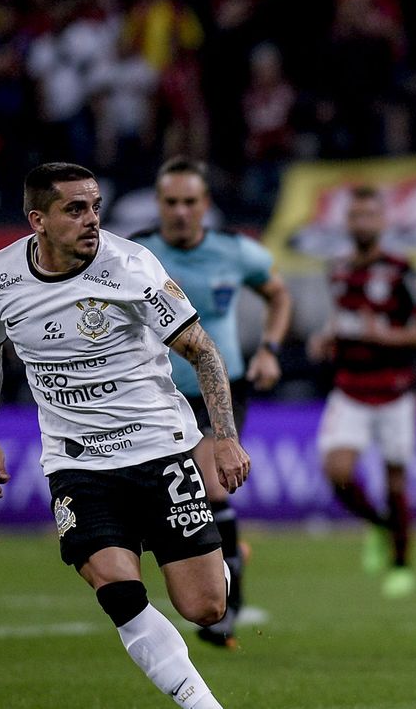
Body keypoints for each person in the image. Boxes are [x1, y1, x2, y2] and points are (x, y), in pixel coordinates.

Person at [0, 162, 249, 709]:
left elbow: (202, 350)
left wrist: (225, 436)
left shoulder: (131, 267)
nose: (91, 219)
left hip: (158, 450)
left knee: (205, 608)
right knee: (118, 593)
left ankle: (219, 560)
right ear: (38, 221)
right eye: (75, 209)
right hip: (76, 464)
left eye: (95, 206)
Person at [133, 156, 292, 648]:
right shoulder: (135, 255)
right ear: (159, 204)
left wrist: (269, 348)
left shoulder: (235, 251)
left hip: (216, 392)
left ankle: (228, 606)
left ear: (206, 205)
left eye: (190, 202)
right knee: (163, 502)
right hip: (151, 395)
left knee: (211, 489)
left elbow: (279, 296)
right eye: (171, 202)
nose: (180, 212)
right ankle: (225, 563)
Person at [307, 185, 416, 599]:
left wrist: (384, 336)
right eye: (355, 215)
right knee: (338, 473)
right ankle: (379, 526)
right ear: (347, 223)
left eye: (370, 215)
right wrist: (325, 338)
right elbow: (341, 322)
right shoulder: (338, 270)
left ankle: (401, 564)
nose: (362, 223)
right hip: (350, 389)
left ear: (382, 222)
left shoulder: (403, 272)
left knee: (396, 482)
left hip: (396, 392)